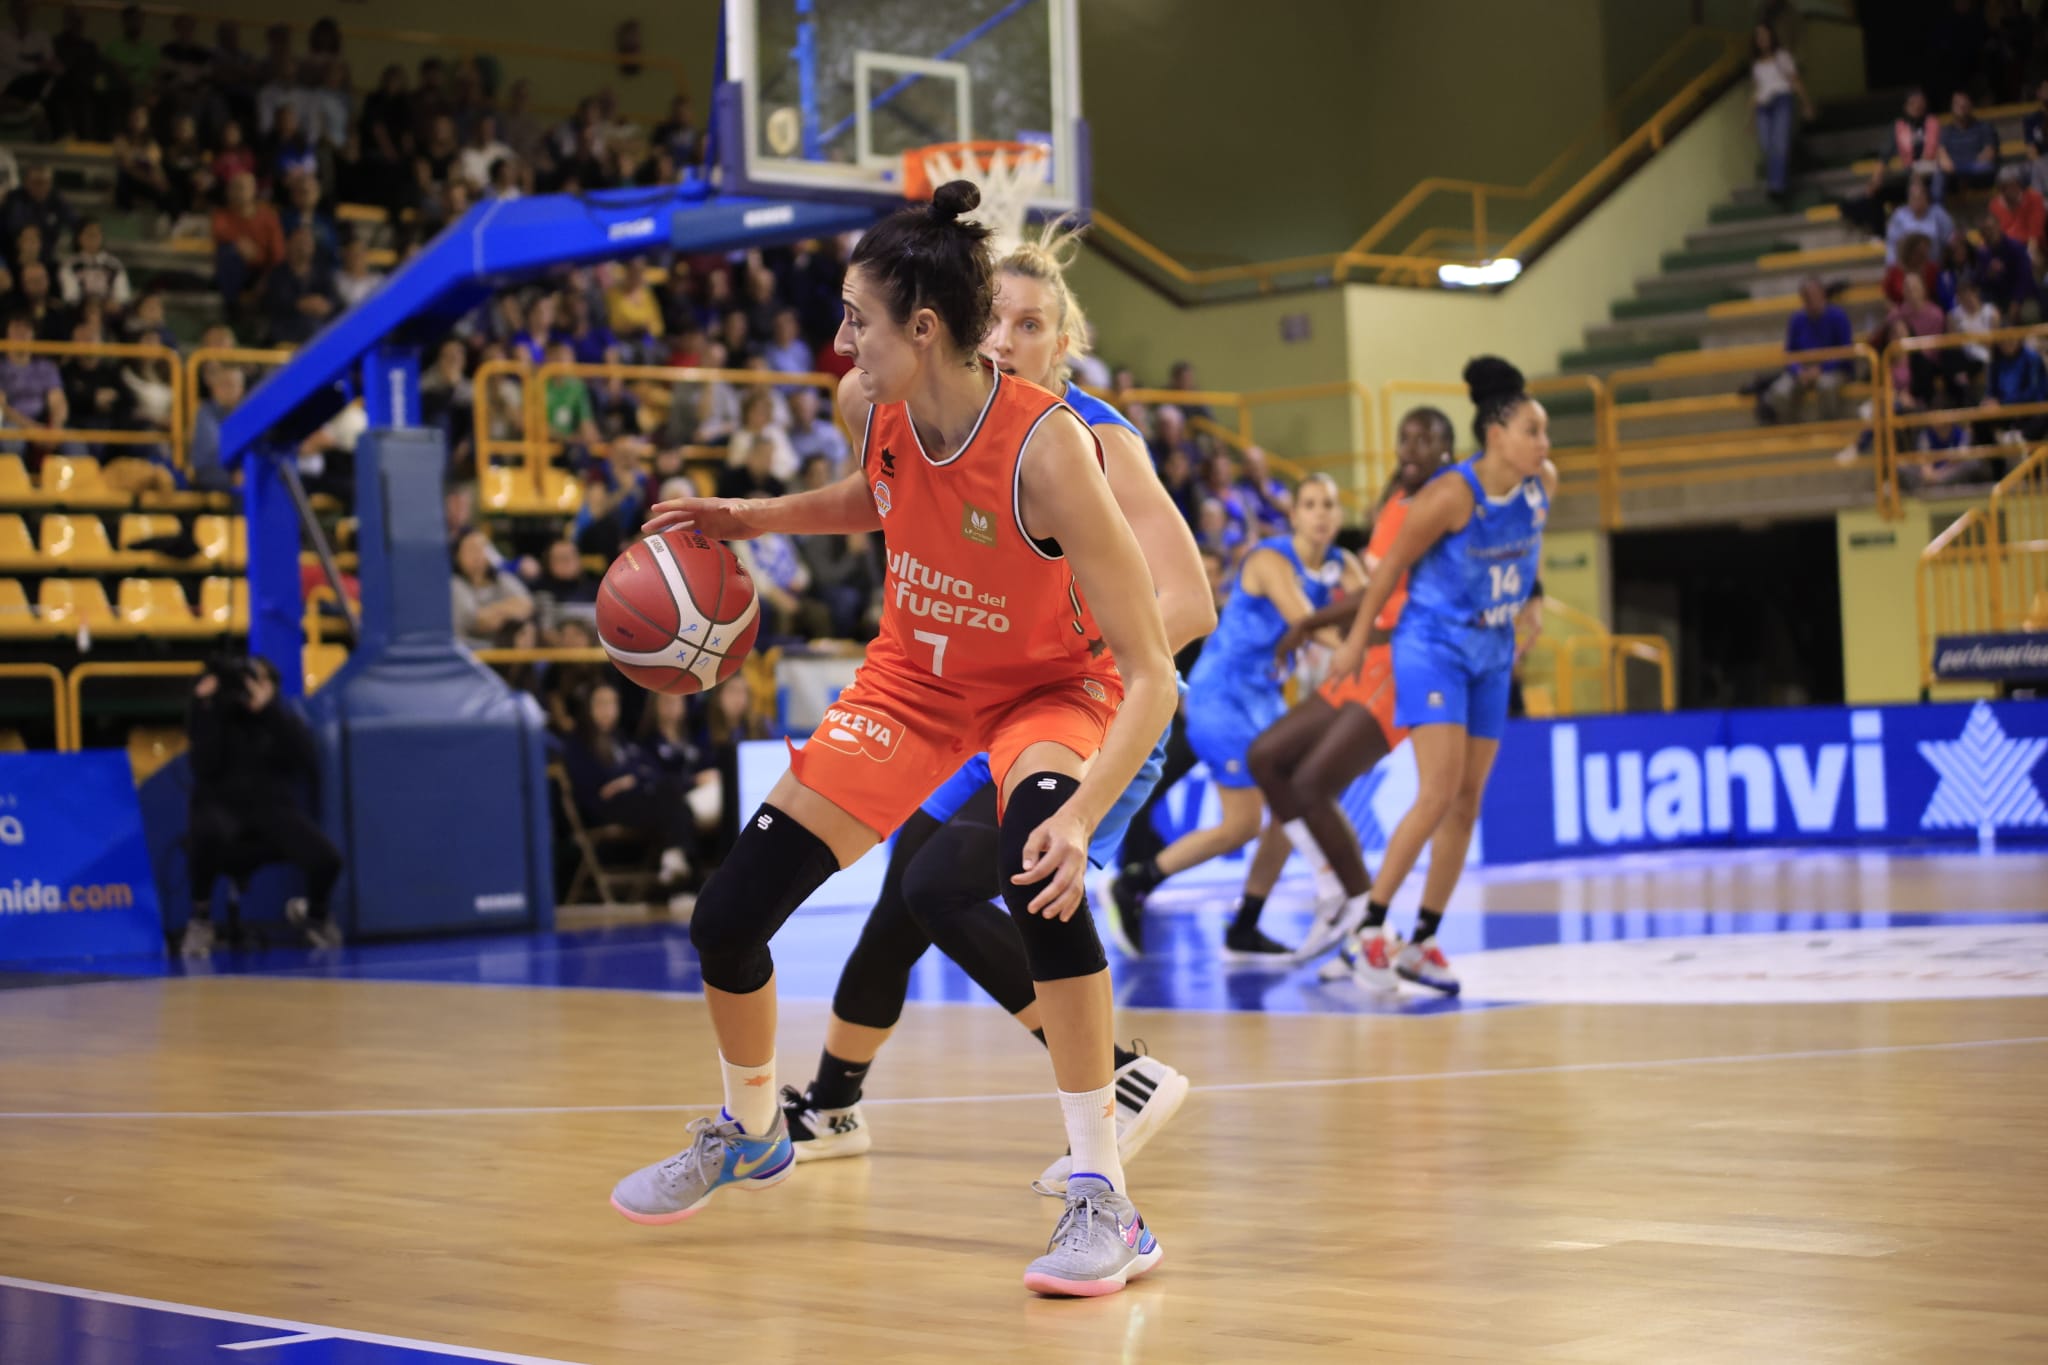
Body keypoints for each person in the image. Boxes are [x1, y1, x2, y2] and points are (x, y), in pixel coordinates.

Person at [609, 182, 1179, 1298]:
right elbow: (878, 495)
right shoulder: (870, 405)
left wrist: (1079, 813)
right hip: (913, 684)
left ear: (921, 328)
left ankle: (1105, 1195)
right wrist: (744, 518)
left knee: (1036, 874)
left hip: (1048, 691)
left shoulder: (1052, 451)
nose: (839, 342)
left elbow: (1151, 670)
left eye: (855, 319)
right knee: (726, 918)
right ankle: (752, 1129)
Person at [777, 219, 1215, 1192]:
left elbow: (1188, 601)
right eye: (998, 320)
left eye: (1032, 324)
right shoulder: (949, 422)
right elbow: (870, 454)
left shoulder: (1095, 442)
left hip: (1088, 711)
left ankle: (1117, 1077)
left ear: (1065, 343)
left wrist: (1068, 658)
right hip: (980, 707)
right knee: (902, 897)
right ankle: (831, 1102)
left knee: (949, 887)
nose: (1009, 340)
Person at [1313, 357, 1555, 996]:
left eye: (1545, 432)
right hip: (1432, 647)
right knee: (1438, 791)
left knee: (1468, 800)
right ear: (1497, 435)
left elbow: (1527, 545)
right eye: (1533, 431)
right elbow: (1391, 567)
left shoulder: (1543, 484)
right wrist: (1356, 642)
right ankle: (1369, 930)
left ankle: (1421, 941)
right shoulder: (1451, 494)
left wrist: (1531, 600)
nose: (1545, 443)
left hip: (1492, 651)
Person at [1222, 406, 1457, 964]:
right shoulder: (1393, 507)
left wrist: (1309, 623)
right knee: (1266, 757)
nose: (1411, 449)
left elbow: (1387, 593)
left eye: (1425, 440)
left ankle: (1363, 915)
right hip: (1363, 659)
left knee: (1310, 784)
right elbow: (1373, 591)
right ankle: (1333, 889)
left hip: (1401, 663)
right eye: (1405, 438)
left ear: (1448, 451)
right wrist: (1314, 625)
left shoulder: (1445, 507)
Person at [1101, 473, 1360, 956]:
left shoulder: (1342, 564)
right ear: (1294, 515)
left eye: (1329, 504)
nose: (1321, 514)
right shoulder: (1269, 559)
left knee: (1282, 810)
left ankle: (1242, 921)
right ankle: (1136, 882)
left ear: (1339, 514)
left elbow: (1373, 605)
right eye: (1310, 504)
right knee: (1254, 817)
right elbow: (1305, 620)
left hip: (1265, 700)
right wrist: (1361, 648)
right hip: (1221, 697)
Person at [180, 654, 344, 957]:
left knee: (328, 859)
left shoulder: (280, 718)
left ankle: (316, 917)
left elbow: (305, 759)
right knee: (203, 833)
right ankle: (200, 920)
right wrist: (205, 708)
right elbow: (203, 765)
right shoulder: (215, 714)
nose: (249, 687)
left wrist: (267, 711)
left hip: (272, 814)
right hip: (224, 816)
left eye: (259, 680)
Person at [1759, 277, 1854, 423]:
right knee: (1779, 392)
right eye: (1806, 296)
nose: (1810, 300)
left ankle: (1829, 428)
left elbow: (1845, 351)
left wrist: (1821, 369)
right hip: (1803, 369)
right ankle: (1793, 429)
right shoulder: (1797, 319)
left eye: (1813, 295)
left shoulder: (1838, 316)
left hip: (1832, 369)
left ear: (1822, 294)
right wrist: (1798, 371)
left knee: (1826, 385)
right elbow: (1789, 353)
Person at [1750, 23, 1813, 203]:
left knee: (1780, 143)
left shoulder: (1782, 56)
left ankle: (1776, 186)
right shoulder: (1756, 65)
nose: (1762, 39)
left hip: (1781, 100)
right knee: (1767, 145)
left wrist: (1806, 104)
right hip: (1763, 106)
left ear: (1771, 36)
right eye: (1759, 36)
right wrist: (1750, 118)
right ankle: (1777, 183)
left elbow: (1795, 81)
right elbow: (1756, 91)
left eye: (1765, 35)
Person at [451, 528, 534, 648]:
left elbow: (526, 605)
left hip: (504, 650)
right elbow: (476, 622)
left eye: (482, 549)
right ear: (458, 555)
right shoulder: (455, 584)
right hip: (469, 651)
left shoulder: (502, 579)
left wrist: (493, 613)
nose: (478, 555)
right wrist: (509, 611)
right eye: (471, 550)